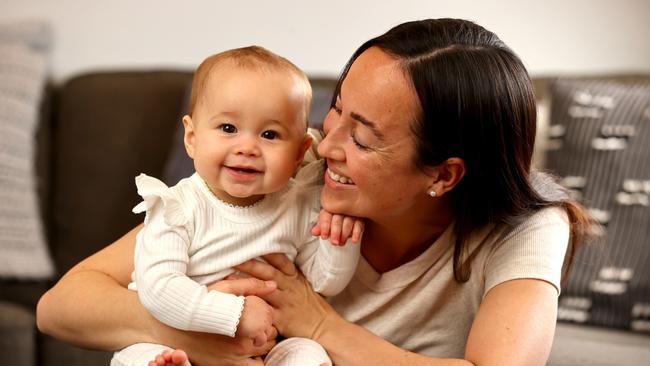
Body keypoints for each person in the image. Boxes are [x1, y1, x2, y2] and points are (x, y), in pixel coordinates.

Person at [36, 18, 595, 366]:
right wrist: (205, 334)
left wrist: (319, 324)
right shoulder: (293, 168)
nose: (326, 145)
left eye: (364, 137)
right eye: (338, 110)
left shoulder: (526, 229)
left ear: (443, 175)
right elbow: (63, 305)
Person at [110, 46, 363, 366]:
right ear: (191, 137)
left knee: (308, 354)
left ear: (300, 153)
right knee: (137, 356)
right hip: (177, 336)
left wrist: (339, 240)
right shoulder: (178, 206)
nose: (247, 148)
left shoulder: (297, 204)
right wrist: (235, 314)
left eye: (269, 134)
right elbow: (159, 290)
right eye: (228, 128)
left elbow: (324, 282)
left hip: (266, 344)